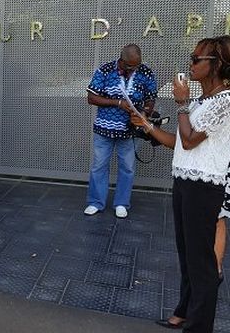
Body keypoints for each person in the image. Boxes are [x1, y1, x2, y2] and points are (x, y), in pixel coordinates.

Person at [131, 36, 230, 332]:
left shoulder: (225, 102)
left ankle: (199, 326)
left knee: (202, 262)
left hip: (205, 186)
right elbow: (179, 143)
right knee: (188, 255)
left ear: (218, 65)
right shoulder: (203, 102)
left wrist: (182, 103)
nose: (191, 63)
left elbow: (189, 138)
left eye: (197, 59)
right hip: (186, 180)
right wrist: (148, 127)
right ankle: (185, 311)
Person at [84, 44, 157, 218]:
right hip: (104, 128)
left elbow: (151, 97)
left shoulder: (146, 72)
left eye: (136, 65)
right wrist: (117, 103)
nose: (134, 69)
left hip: (130, 130)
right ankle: (96, 202)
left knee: (128, 167)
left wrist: (144, 114)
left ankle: (122, 203)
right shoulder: (105, 70)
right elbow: (91, 97)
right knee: (99, 166)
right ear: (121, 60)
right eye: (130, 66)